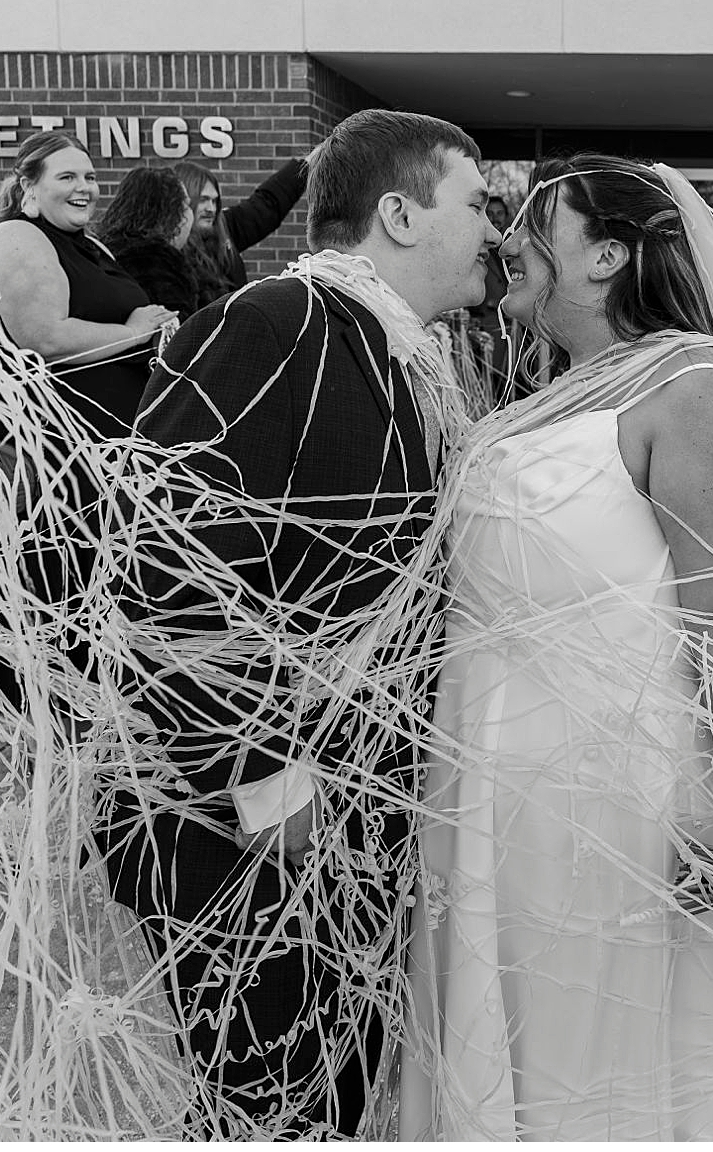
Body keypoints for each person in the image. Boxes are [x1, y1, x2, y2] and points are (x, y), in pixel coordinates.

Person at [400, 153, 713, 1139]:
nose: (507, 238)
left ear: (608, 256)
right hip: (489, 778)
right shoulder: (550, 389)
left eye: (538, 221)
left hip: (614, 792)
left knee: (599, 1048)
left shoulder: (695, 386)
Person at [96, 108, 497, 1136]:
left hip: (351, 805)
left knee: (335, 1086)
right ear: (400, 215)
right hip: (242, 818)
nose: (494, 230)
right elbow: (167, 566)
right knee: (268, 1104)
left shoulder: (407, 351)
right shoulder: (268, 322)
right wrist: (272, 785)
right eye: (477, 202)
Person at [0, 132, 175, 438]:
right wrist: (133, 333)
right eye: (67, 177)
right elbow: (44, 339)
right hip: (51, 440)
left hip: (126, 432)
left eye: (89, 177)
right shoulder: (15, 237)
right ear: (29, 186)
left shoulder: (92, 245)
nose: (84, 188)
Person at [171, 152, 313, 295]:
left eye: (214, 201)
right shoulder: (166, 254)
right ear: (184, 199)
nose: (211, 208)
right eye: (203, 200)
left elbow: (266, 205)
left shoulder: (224, 227)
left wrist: (306, 166)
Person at [96, 165, 211, 318]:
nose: (190, 214)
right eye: (186, 206)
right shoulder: (159, 265)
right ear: (173, 214)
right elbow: (178, 330)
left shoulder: (102, 250)